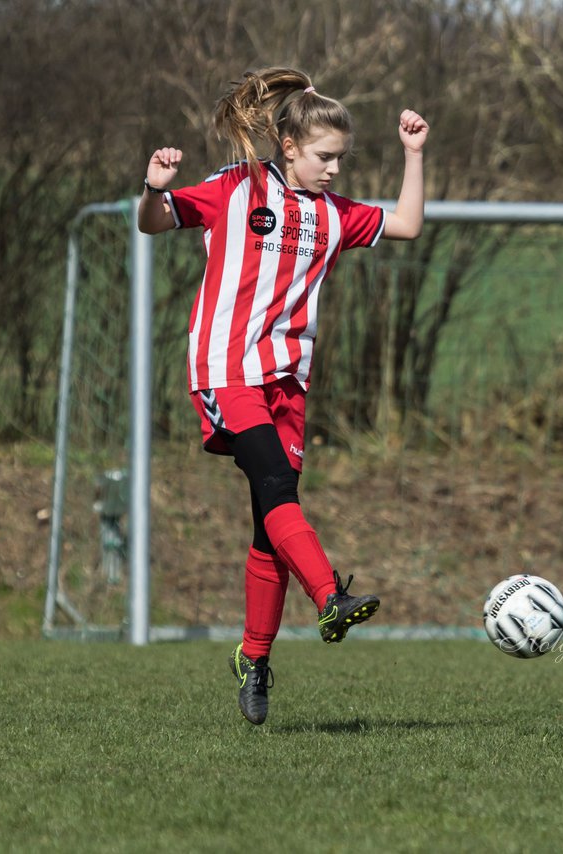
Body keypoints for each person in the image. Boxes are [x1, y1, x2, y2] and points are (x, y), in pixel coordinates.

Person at [137, 67, 429, 725]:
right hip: (225, 370)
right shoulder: (234, 188)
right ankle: (329, 595)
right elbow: (155, 222)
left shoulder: (333, 214)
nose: (334, 169)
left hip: (287, 381)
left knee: (270, 525)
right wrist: (152, 189)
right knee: (276, 489)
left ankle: (254, 658)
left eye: (342, 159)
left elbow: (407, 224)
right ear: (289, 146)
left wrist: (413, 153)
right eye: (325, 157)